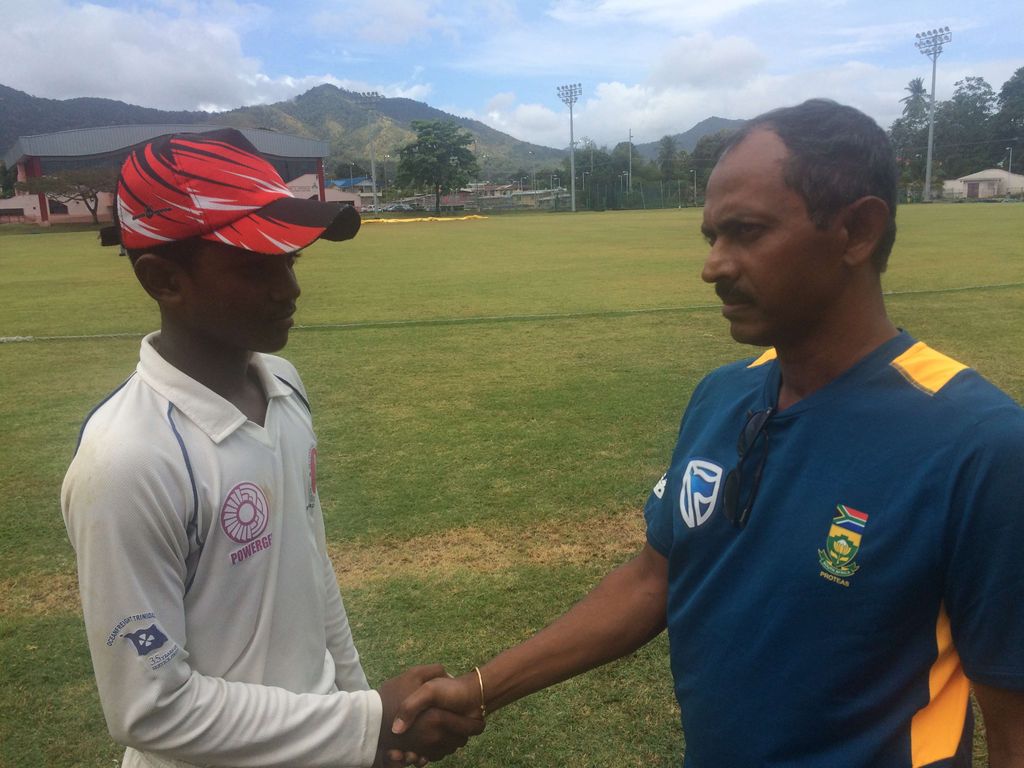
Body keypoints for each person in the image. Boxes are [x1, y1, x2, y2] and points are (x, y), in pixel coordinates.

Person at [390, 100, 1024, 767]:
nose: (713, 266)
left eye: (746, 232)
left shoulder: (979, 445)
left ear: (857, 231)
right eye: (712, 237)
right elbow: (654, 579)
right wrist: (484, 689)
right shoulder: (723, 396)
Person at [61, 128, 481, 768]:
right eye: (256, 266)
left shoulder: (282, 384)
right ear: (163, 280)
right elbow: (150, 708)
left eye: (291, 259)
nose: (289, 289)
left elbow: (309, 562)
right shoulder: (127, 461)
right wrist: (361, 726)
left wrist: (358, 708)